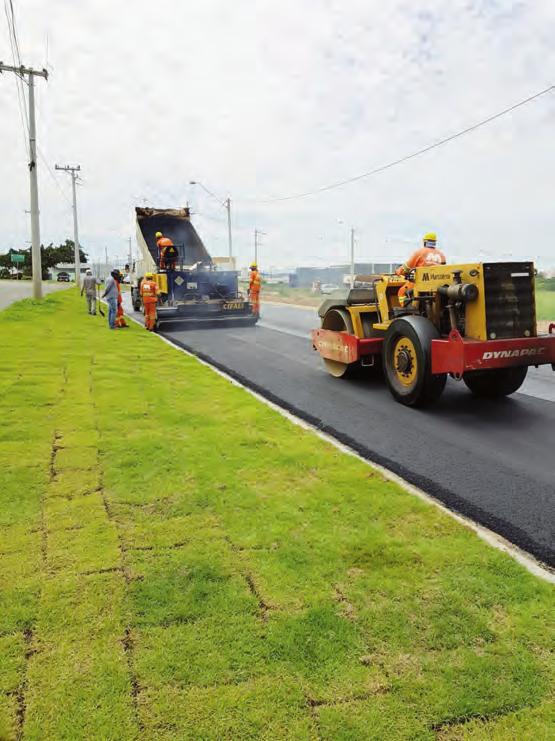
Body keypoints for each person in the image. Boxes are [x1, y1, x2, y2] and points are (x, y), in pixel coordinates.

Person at [396, 232, 446, 306]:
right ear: (435, 242)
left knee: (402, 291)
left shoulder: (420, 252)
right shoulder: (441, 255)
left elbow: (407, 267)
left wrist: (398, 271)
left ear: (425, 242)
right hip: (437, 284)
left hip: (422, 283)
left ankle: (406, 310)